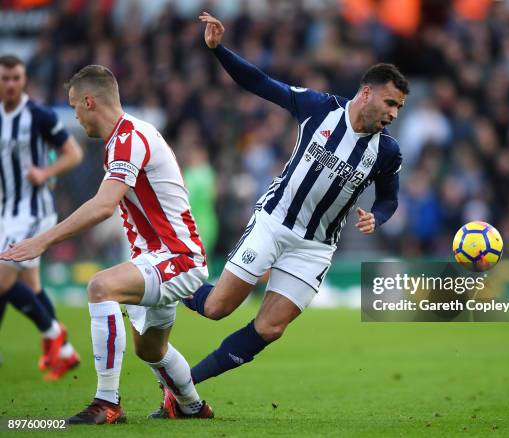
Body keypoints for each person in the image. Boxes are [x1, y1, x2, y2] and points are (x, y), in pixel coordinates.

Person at [160, 12, 408, 413]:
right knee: (217, 308)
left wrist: (376, 218)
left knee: (271, 327)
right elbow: (259, 82)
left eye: (399, 107)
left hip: (315, 247)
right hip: (275, 223)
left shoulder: (387, 151)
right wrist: (218, 49)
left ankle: (183, 386)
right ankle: (158, 284)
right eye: (391, 102)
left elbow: (389, 199)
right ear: (367, 93)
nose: (394, 114)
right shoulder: (319, 108)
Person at [0, 65, 213, 424]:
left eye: (74, 108)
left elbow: (103, 206)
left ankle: (107, 402)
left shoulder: (129, 138)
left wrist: (42, 240)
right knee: (151, 349)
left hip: (176, 257)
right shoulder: (124, 138)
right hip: (159, 256)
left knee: (101, 287)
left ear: (88, 101)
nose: (75, 117)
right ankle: (191, 405)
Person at [0, 54, 82, 380]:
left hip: (34, 212)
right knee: (30, 286)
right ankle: (65, 352)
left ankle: (53, 334)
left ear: (24, 80)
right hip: (7, 212)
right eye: (4, 79)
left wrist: (45, 171)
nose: (10, 85)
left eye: (15, 78)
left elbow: (73, 154)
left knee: (2, 280)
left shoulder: (38, 115)